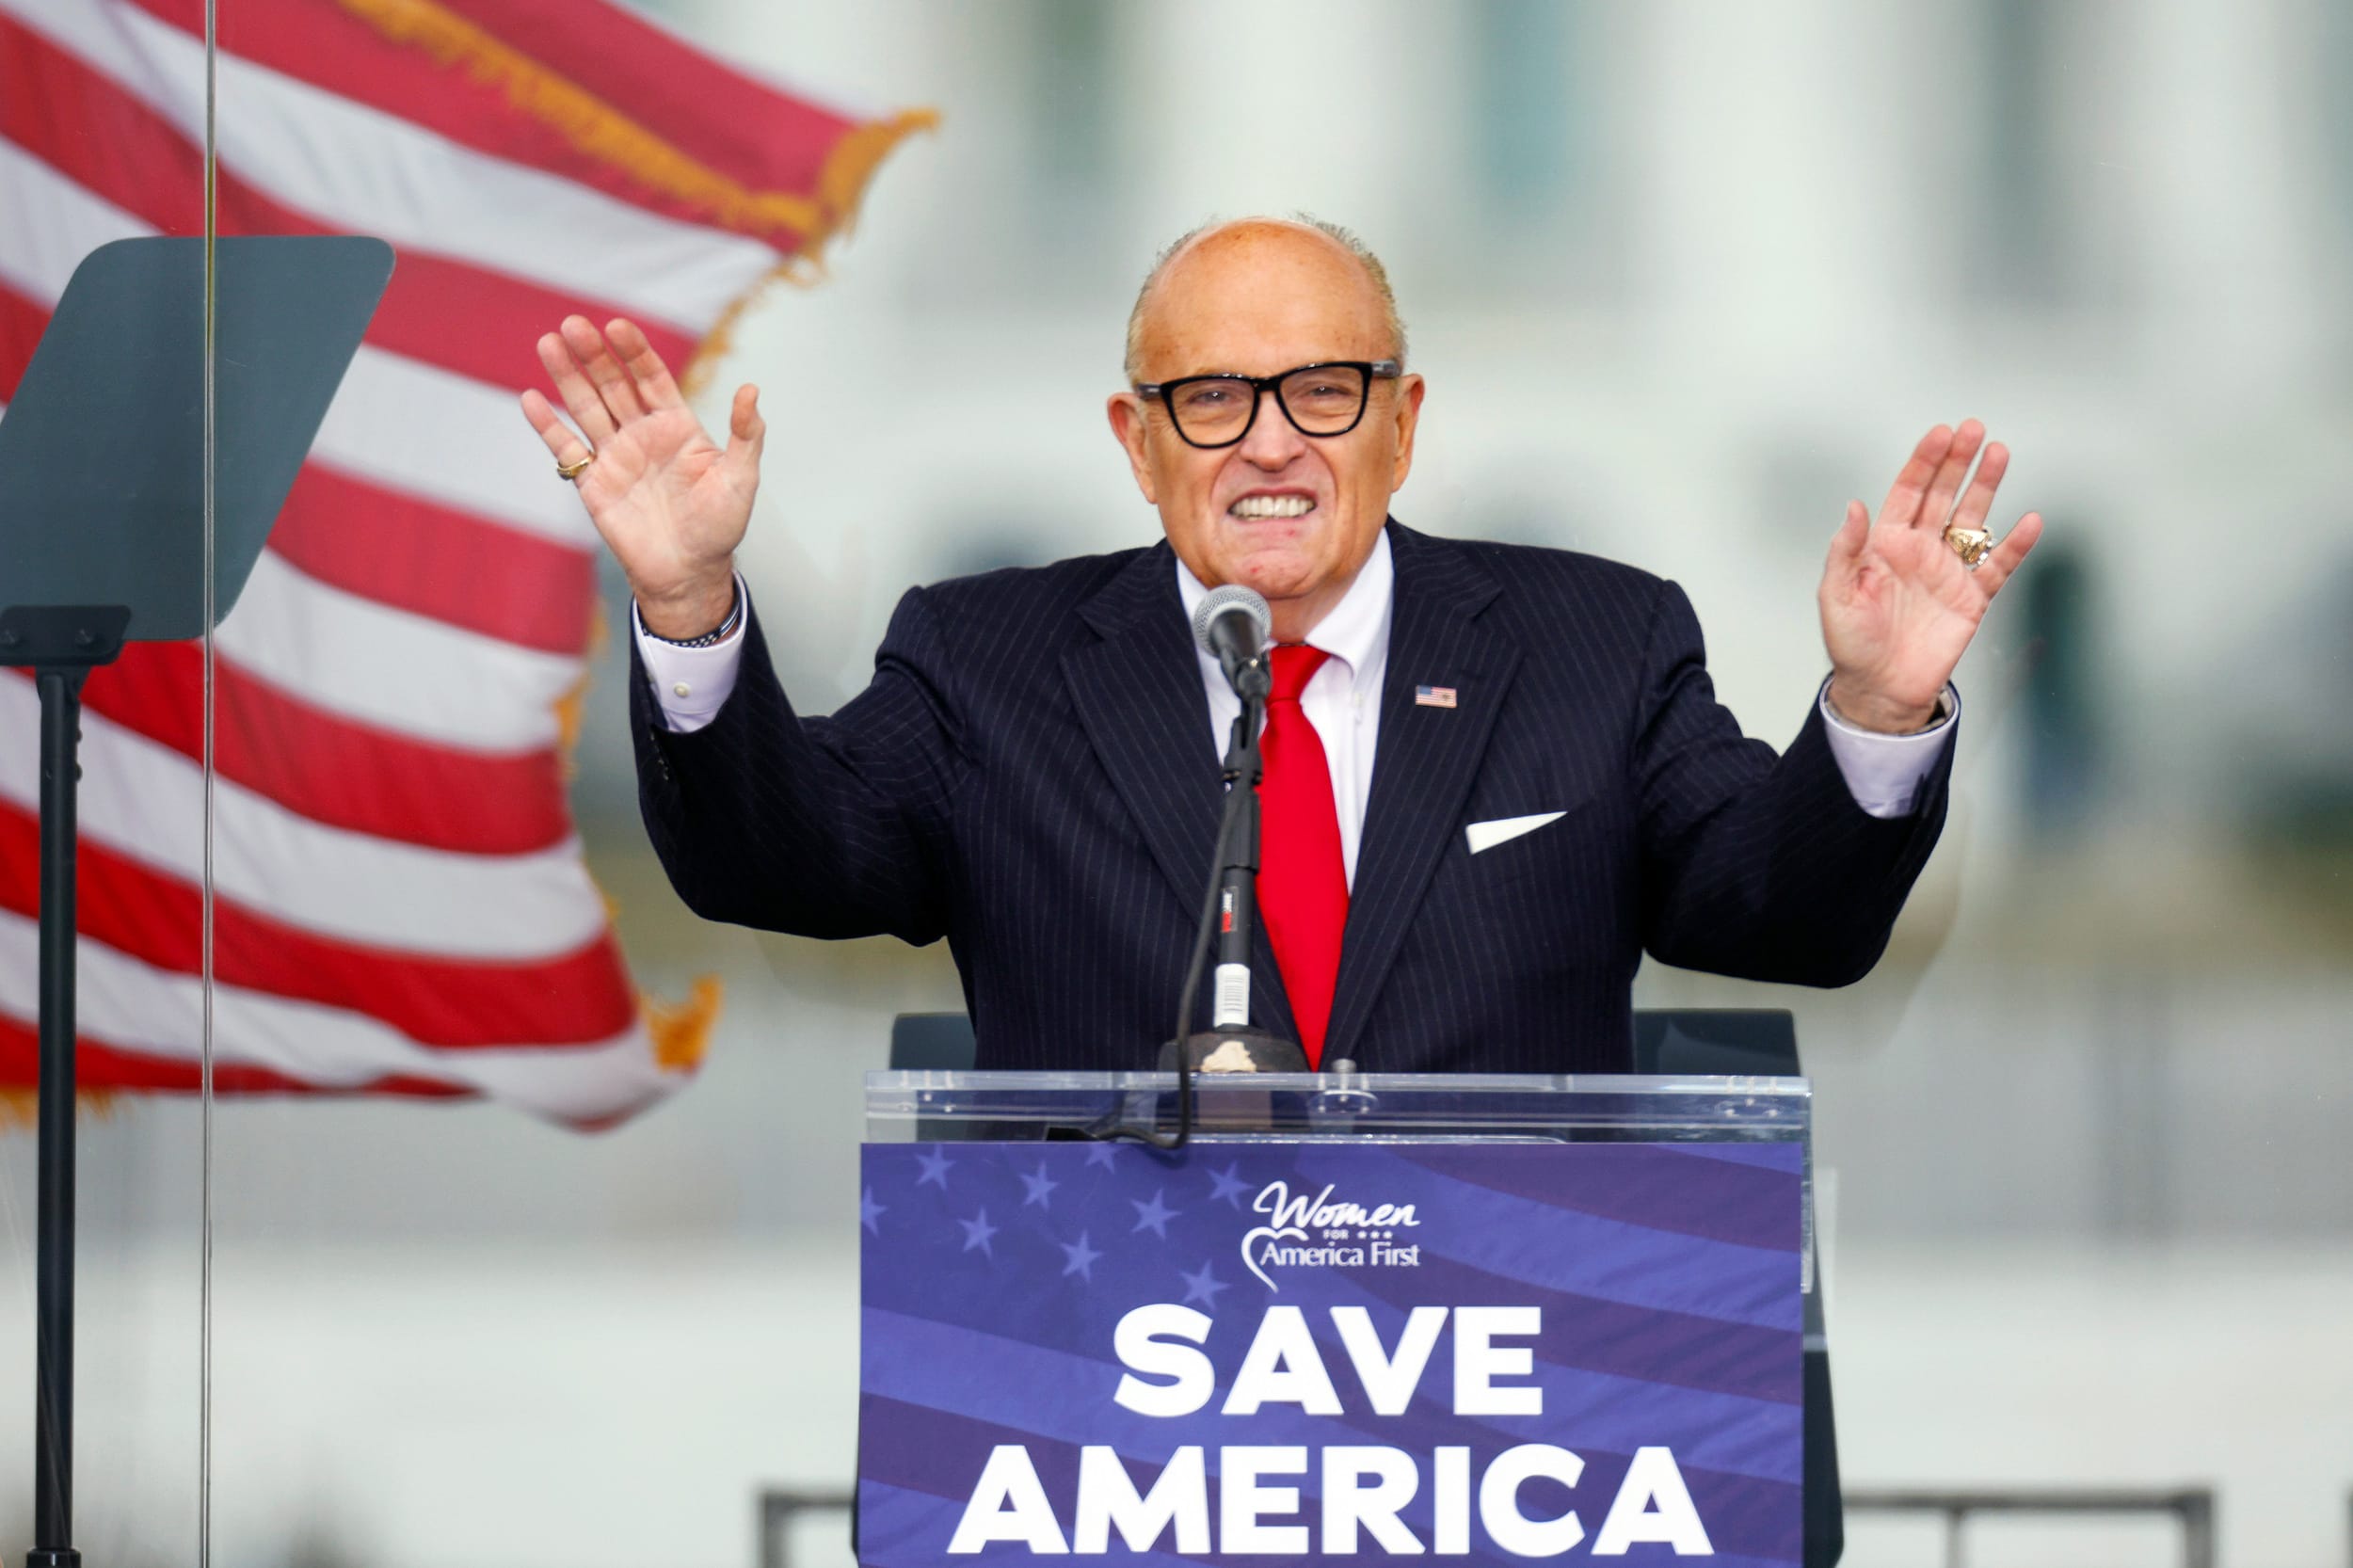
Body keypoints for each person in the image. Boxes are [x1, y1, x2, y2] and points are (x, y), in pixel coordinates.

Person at [520, 217, 2041, 1073]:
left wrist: (1876, 705)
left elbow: (1782, 916)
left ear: (1401, 424)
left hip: (1502, 1416)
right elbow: (779, 859)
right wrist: (688, 610)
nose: (1269, 446)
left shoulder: (1600, 643)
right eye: (1212, 399)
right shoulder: (983, 661)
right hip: (1116, 1430)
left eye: (1322, 391)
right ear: (1136, 440)